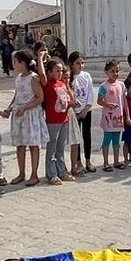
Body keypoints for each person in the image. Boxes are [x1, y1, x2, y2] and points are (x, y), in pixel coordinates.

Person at [2, 49, 48, 186]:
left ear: (23, 63)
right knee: (20, 145)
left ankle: (34, 174)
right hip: (19, 115)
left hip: (30, 115)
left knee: (34, 145)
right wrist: (9, 108)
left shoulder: (33, 78)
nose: (14, 64)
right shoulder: (19, 78)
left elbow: (40, 98)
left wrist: (25, 108)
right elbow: (17, 95)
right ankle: (21, 173)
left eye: (15, 62)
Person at [42, 57, 75, 185]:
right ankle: (51, 174)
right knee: (52, 147)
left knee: (61, 147)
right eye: (57, 71)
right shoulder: (48, 85)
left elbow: (66, 98)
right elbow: (42, 74)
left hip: (64, 119)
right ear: (50, 72)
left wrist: (72, 102)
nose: (60, 73)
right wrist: (41, 58)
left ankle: (62, 171)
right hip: (53, 121)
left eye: (61, 71)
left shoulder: (62, 83)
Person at [98, 60, 128, 171]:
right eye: (112, 71)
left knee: (117, 140)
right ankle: (106, 163)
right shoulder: (103, 86)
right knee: (107, 140)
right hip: (108, 118)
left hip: (118, 118)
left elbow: (124, 102)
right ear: (106, 72)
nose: (115, 74)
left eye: (117, 71)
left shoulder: (121, 85)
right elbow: (99, 101)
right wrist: (107, 104)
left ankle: (116, 161)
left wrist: (127, 116)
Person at [67, 52, 95, 175]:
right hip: (74, 112)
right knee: (76, 138)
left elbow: (90, 93)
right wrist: (75, 111)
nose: (80, 66)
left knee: (87, 135)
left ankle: (88, 160)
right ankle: (78, 162)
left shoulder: (87, 76)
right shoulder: (69, 78)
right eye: (77, 63)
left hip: (86, 110)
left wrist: (86, 109)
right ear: (72, 64)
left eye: (82, 63)